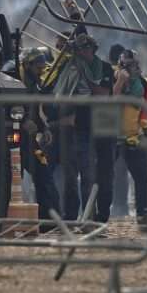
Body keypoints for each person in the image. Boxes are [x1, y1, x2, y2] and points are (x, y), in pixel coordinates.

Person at [51, 33, 112, 221]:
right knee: (82, 174)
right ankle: (79, 216)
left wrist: (85, 75)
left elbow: (102, 94)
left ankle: (99, 215)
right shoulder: (69, 69)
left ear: (92, 49)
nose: (82, 52)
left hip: (104, 127)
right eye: (79, 49)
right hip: (80, 128)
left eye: (85, 48)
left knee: (103, 175)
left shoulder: (104, 68)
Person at [111, 48, 147, 228]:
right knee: (107, 176)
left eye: (134, 65)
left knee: (141, 177)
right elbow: (109, 101)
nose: (131, 68)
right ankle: (103, 211)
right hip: (113, 137)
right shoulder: (113, 77)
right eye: (127, 64)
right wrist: (120, 81)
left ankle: (143, 213)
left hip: (135, 136)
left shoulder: (145, 85)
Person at [17, 47, 61, 223]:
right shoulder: (14, 81)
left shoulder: (33, 84)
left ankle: (49, 219)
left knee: (43, 174)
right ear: (28, 65)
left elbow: (34, 111)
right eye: (38, 67)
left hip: (28, 141)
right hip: (12, 141)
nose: (42, 71)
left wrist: (44, 128)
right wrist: (22, 122)